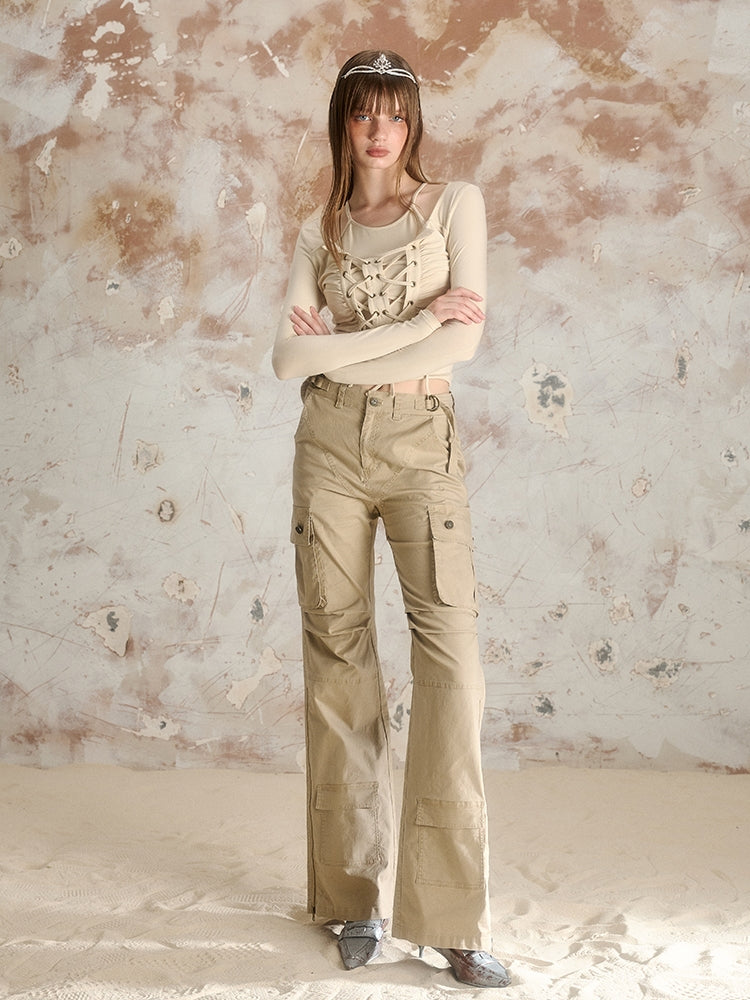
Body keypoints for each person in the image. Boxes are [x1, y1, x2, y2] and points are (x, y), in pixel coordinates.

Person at [272, 49, 510, 989]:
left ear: (414, 124)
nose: (382, 132)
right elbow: (288, 364)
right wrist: (416, 326)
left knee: (451, 664)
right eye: (365, 114)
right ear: (343, 123)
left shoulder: (455, 206)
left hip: (421, 443)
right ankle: (350, 900)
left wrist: (344, 346)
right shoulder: (317, 230)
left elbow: (468, 339)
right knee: (337, 653)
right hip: (329, 446)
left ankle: (451, 917)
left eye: (398, 115)